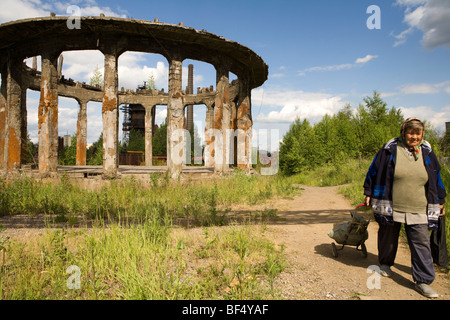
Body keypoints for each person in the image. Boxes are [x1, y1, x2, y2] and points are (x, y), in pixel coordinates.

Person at [363, 117, 446, 298]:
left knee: (421, 242)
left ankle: (423, 281)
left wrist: (440, 200)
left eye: (418, 133)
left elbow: (436, 177)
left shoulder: (427, 151)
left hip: (419, 206)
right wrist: (368, 191)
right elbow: (373, 170)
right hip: (391, 204)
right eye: (411, 132)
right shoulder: (389, 150)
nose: (414, 137)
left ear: (422, 134)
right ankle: (385, 263)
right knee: (388, 237)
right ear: (403, 132)